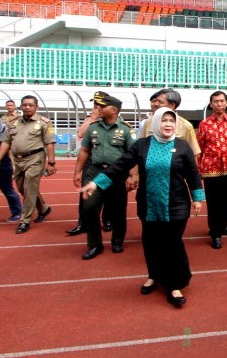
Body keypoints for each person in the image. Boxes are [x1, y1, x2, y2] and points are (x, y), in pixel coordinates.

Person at [81, 108, 204, 308]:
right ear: (155, 123)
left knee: (172, 244)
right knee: (151, 241)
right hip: (148, 204)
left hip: (176, 204)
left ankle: (174, 284)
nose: (168, 124)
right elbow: (119, 166)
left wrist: (197, 198)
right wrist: (96, 183)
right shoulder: (142, 145)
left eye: (171, 121)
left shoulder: (182, 146)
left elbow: (193, 174)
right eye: (163, 120)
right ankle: (153, 276)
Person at [74, 93, 137, 260]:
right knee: (89, 208)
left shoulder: (125, 129)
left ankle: (117, 241)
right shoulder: (93, 127)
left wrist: (132, 175)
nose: (98, 109)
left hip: (117, 174)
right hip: (94, 172)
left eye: (103, 106)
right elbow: (85, 151)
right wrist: (77, 172)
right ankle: (94, 244)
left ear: (114, 110)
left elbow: (133, 155)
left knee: (118, 211)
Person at [0, 95, 56, 234]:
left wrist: (51, 162)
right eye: (25, 105)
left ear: (36, 107)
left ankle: (25, 220)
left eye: (31, 105)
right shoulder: (14, 123)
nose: (27, 107)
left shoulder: (44, 123)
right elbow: (6, 142)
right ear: (20, 107)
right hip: (17, 160)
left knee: (29, 188)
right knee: (24, 189)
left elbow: (49, 143)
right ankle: (44, 209)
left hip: (35, 158)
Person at [197, 90, 227, 249]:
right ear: (211, 104)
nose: (219, 104)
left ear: (226, 103)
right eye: (216, 101)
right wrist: (198, 167)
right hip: (210, 169)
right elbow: (199, 148)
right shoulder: (204, 124)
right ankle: (215, 232)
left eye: (222, 101)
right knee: (214, 202)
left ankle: (224, 222)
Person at [66, 96, 111, 236]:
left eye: (100, 105)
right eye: (96, 105)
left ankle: (107, 220)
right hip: (91, 161)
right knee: (85, 193)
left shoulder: (114, 119)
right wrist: (92, 118)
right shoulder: (91, 120)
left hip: (109, 162)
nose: (97, 108)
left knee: (108, 193)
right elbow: (80, 133)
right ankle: (83, 222)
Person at [140, 88, 201, 156]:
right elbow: (141, 148)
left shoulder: (186, 126)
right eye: (156, 101)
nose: (156, 104)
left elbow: (194, 153)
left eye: (160, 102)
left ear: (172, 105)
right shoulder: (148, 122)